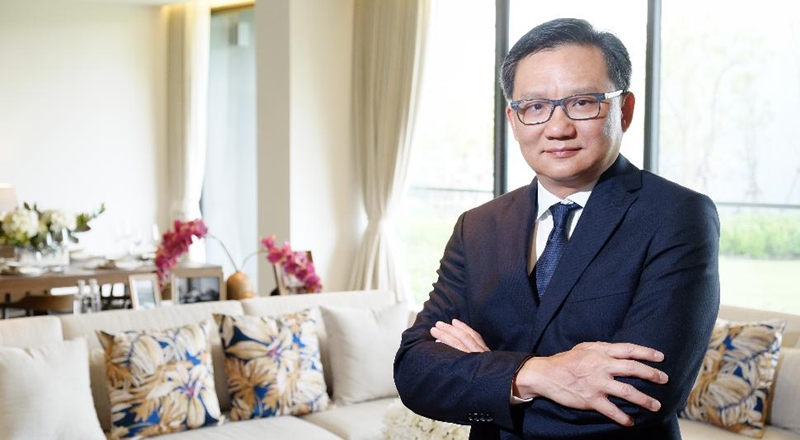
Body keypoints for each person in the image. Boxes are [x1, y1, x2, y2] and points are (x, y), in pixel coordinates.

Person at [393, 18, 720, 439]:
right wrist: (532, 375)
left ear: (624, 110)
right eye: (534, 107)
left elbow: (637, 397)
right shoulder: (478, 227)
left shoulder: (676, 216)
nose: (558, 128)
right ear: (513, 120)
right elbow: (415, 371)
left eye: (582, 102)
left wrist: (484, 378)